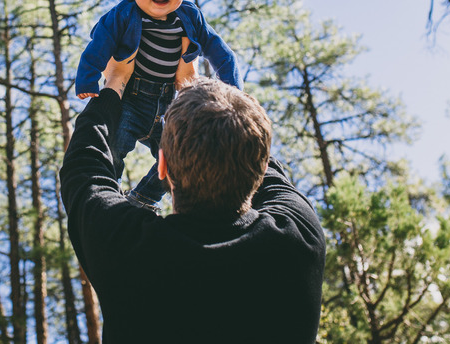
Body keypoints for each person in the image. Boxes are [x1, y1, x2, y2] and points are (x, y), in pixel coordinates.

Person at [60, 64, 326, 344]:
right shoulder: (299, 240)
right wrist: (201, 89)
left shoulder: (130, 251)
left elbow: (84, 168)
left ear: (162, 166)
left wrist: (115, 82)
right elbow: (258, 159)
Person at [75, 0, 242, 210]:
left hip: (168, 104)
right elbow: (99, 44)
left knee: (181, 155)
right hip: (131, 99)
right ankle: (110, 199)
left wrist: (233, 92)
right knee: (113, 149)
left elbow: (222, 53)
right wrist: (87, 77)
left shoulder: (190, 17)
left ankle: (142, 199)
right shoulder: (123, 14)